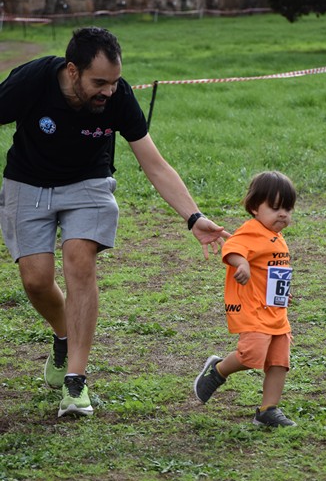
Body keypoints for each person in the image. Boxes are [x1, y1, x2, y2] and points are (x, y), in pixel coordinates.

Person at [0, 26, 229, 418]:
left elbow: (153, 162)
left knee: (79, 261)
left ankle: (75, 381)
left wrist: (193, 216)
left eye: (115, 81)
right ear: (72, 71)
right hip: (28, 183)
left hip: (89, 183)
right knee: (36, 281)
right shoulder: (33, 81)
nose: (109, 90)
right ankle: (63, 337)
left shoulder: (118, 98)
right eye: (99, 82)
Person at [194, 171, 297, 427]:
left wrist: (282, 292)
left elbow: (272, 271)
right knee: (251, 355)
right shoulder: (252, 230)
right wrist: (243, 265)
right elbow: (232, 248)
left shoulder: (277, 237)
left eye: (287, 208)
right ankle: (218, 370)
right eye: (275, 208)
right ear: (254, 208)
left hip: (275, 309)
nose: (282, 214)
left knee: (279, 361)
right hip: (254, 308)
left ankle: (268, 410)